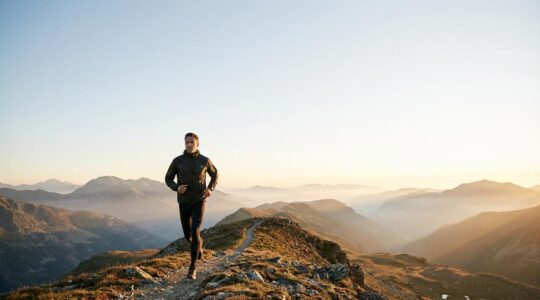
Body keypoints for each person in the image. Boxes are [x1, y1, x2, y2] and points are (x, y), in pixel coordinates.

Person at [164, 132, 218, 280]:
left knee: (195, 231)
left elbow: (215, 174)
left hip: (199, 201)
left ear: (197, 144)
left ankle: (192, 268)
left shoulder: (205, 160)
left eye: (191, 142)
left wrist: (210, 189)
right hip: (183, 201)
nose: (189, 144)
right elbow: (168, 178)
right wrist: (176, 187)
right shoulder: (177, 161)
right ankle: (198, 244)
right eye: (187, 142)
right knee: (188, 236)